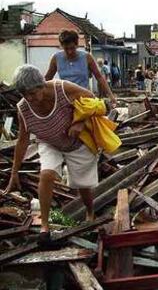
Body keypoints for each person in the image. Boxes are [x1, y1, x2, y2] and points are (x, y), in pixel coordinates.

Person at [4, 65, 99, 241]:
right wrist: (14, 172)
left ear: (41, 85)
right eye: (25, 94)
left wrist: (80, 123)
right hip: (49, 142)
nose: (29, 98)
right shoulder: (23, 108)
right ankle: (45, 227)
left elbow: (93, 100)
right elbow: (22, 140)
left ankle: (90, 211)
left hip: (76, 142)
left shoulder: (62, 88)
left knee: (83, 185)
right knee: (46, 174)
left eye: (32, 93)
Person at [45, 30, 116, 107]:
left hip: (84, 100)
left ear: (77, 45)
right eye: (66, 48)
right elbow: (47, 79)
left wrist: (111, 96)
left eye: (72, 48)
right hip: (65, 101)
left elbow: (99, 77)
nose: (69, 52)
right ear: (62, 46)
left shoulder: (86, 57)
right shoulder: (56, 58)